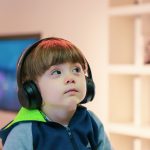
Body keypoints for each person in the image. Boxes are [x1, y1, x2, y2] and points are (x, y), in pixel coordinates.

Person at [0, 37, 113, 150]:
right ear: (32, 88)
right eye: (56, 72)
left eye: (76, 70)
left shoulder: (92, 122)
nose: (70, 78)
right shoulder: (24, 132)